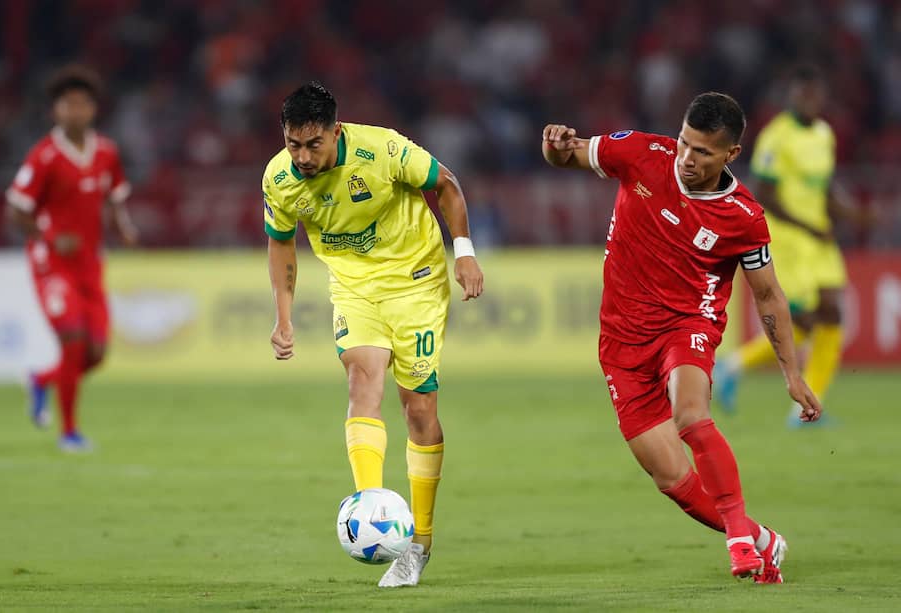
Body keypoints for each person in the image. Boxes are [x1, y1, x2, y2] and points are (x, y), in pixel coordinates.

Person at [541, 92, 821, 583]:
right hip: (621, 343)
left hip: (686, 325)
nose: (688, 159)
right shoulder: (642, 154)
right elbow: (566, 154)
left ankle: (738, 541)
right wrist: (554, 143)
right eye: (685, 144)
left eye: (704, 152)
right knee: (670, 477)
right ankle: (760, 538)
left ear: (731, 155)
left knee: (691, 415)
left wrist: (791, 373)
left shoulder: (743, 218)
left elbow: (769, 295)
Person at [262, 82, 483, 587]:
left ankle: (420, 542)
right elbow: (280, 244)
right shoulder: (279, 178)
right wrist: (283, 316)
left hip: (417, 283)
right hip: (354, 290)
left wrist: (465, 250)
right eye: (293, 144)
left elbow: (445, 183)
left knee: (418, 409)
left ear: (335, 132)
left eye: (312, 144)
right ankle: (370, 509)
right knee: (362, 381)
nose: (301, 156)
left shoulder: (381, 149)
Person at [713, 65, 871, 425]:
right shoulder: (776, 137)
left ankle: (804, 409)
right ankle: (735, 368)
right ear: (792, 96)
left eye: (816, 94)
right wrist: (808, 227)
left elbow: (826, 188)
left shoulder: (824, 134)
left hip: (819, 238)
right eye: (803, 94)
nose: (810, 101)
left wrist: (852, 215)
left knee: (832, 314)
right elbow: (766, 194)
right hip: (788, 239)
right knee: (801, 320)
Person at [5, 65, 138, 452]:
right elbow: (15, 210)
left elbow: (115, 200)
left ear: (93, 109)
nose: (75, 111)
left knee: (95, 354)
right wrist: (47, 236)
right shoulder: (44, 156)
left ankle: (42, 379)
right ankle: (69, 432)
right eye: (68, 105)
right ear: (55, 111)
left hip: (90, 264)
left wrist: (124, 229)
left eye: (82, 104)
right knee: (72, 339)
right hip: (52, 264)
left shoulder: (107, 153)